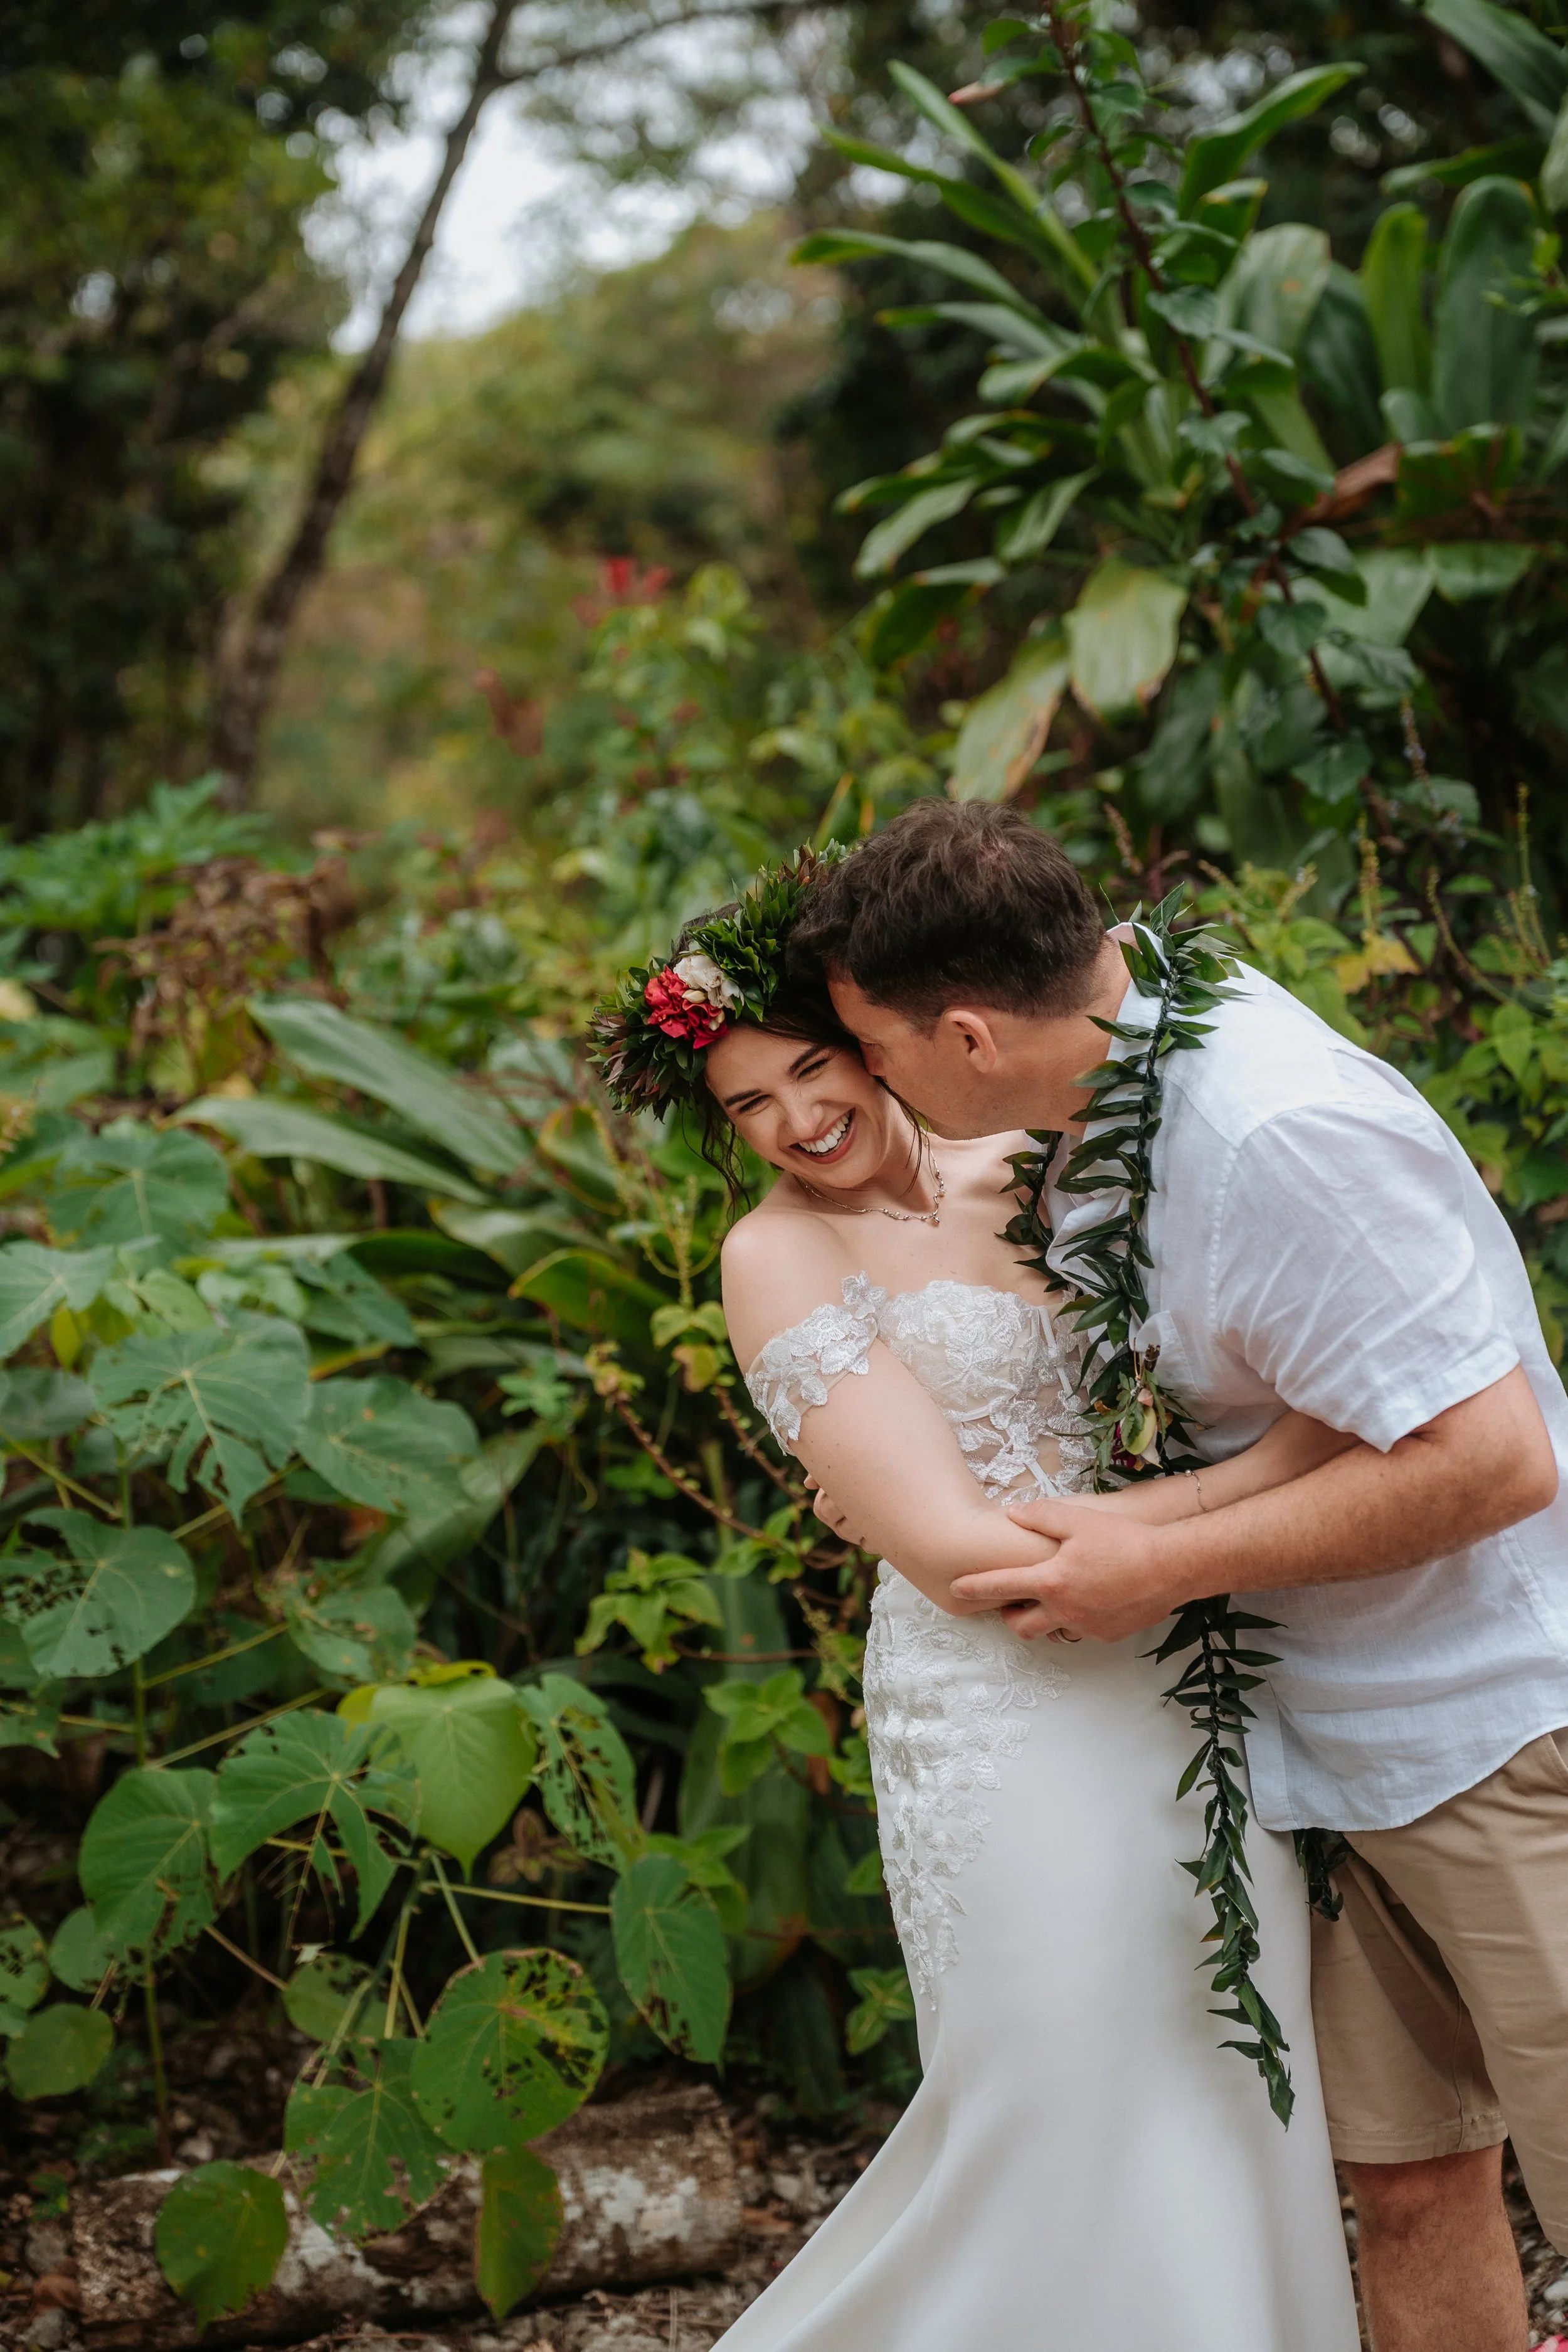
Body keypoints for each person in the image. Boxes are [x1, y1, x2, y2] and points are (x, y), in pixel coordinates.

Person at [788, 799, 1568, 2352]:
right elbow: (1275, 1403)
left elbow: (1492, 1462)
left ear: (960, 1035)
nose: (867, 1084)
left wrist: (1161, 1561)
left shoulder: (1271, 1129)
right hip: (1298, 1748)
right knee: (1408, 2186)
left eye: (873, 1049)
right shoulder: (1097, 1061)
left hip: (1482, 1738)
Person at [590, 860, 1362, 2352]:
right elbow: (957, 1555)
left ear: (872, 1041)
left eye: (810, 1069)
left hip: (1183, 1684)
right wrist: (1271, 1480)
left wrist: (1234, 1475)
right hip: (998, 1714)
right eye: (747, 1107)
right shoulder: (775, 1255)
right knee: (1051, 2083)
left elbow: (1201, 1356)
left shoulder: (1036, 1158)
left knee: (1216, 2066)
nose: (795, 1122)